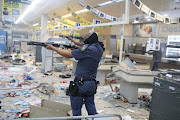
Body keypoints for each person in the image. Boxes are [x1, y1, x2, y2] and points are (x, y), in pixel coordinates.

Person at [45, 32, 104, 119]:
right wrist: (75, 45)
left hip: (81, 84)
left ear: (90, 38)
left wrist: (53, 48)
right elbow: (82, 46)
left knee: (76, 109)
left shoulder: (87, 50)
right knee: (91, 107)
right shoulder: (99, 48)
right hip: (91, 84)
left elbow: (68, 55)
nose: (84, 40)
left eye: (85, 38)